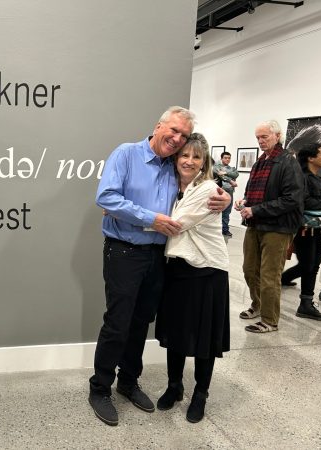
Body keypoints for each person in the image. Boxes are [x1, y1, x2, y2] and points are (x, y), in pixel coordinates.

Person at [89, 106, 231, 426]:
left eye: (183, 135)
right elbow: (106, 197)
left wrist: (228, 200)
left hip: (158, 258)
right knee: (118, 322)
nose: (178, 139)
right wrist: (147, 218)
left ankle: (128, 381)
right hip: (124, 253)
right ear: (158, 127)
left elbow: (204, 191)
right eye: (174, 131)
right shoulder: (126, 154)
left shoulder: (175, 166)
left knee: (141, 323)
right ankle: (100, 388)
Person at [155, 133, 230, 424]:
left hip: (207, 272)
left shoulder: (209, 189)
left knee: (203, 338)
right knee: (175, 334)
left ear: (204, 162)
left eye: (196, 157)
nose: (189, 161)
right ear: (176, 158)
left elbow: (174, 225)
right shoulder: (172, 188)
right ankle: (175, 386)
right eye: (184, 155)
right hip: (177, 269)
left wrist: (125, 216)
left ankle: (201, 393)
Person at [236, 120, 304, 333]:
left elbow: (292, 199)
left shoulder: (287, 162)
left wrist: (256, 210)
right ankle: (257, 305)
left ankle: (269, 320)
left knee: (269, 275)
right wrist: (244, 202)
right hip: (255, 225)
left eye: (264, 136)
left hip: (277, 227)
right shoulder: (260, 162)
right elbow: (252, 192)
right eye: (257, 137)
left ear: (277, 136)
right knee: (249, 270)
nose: (260, 141)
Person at [280, 144, 321, 321]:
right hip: (305, 228)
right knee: (308, 264)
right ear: (311, 158)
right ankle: (305, 304)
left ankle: (303, 299)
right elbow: (304, 202)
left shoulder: (320, 180)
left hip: (319, 228)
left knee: (313, 263)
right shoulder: (301, 178)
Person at [213, 151, 239, 237]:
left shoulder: (231, 168)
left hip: (230, 193)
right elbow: (220, 175)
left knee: (227, 212)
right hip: (219, 192)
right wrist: (230, 180)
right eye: (225, 158)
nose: (227, 159)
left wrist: (226, 173)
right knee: (217, 211)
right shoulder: (217, 166)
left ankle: (225, 229)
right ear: (221, 158)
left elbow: (236, 174)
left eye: (229, 158)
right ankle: (215, 230)